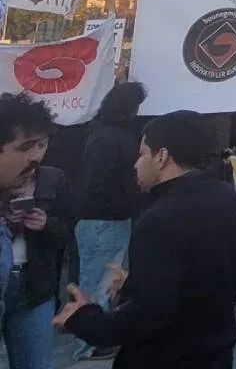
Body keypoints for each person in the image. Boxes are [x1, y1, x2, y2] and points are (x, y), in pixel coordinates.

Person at [56, 111, 236, 369]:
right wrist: (137, 283)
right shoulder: (229, 199)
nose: (136, 164)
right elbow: (199, 279)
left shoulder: (160, 219)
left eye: (142, 154)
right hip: (216, 352)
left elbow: (146, 317)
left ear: (161, 156)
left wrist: (84, 318)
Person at [73, 81, 147, 362]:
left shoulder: (100, 133)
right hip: (106, 217)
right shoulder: (115, 137)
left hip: (98, 216)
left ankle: (92, 337)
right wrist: (126, 201)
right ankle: (89, 342)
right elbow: (100, 180)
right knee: (100, 281)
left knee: (97, 278)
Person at [4, 136, 70, 369]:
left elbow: (68, 231)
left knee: (36, 362)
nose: (34, 153)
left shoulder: (53, 178)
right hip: (5, 273)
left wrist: (46, 225)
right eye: (27, 145)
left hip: (35, 284)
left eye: (41, 145)